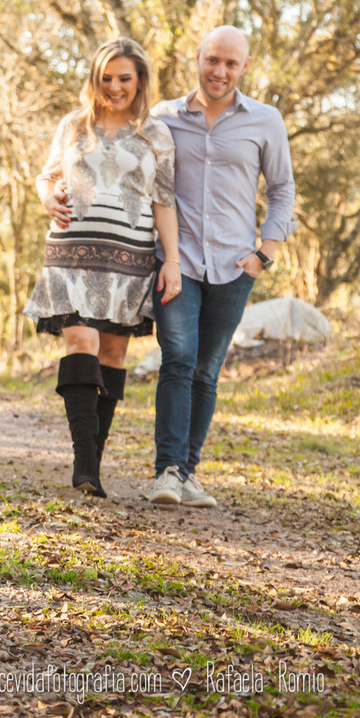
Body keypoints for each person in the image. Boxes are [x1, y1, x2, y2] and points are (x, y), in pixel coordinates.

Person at [146, 25, 296, 508]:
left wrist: (263, 254)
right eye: (213, 60)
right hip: (177, 261)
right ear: (198, 59)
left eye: (231, 63)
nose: (220, 71)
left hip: (235, 266)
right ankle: (166, 472)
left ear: (244, 67)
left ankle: (187, 472)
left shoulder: (265, 120)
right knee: (179, 358)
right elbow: (142, 180)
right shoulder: (164, 117)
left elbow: (282, 190)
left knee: (207, 371)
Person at [24, 38, 180, 498]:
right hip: (71, 251)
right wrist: (47, 196)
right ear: (95, 79)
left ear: (140, 81)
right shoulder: (75, 125)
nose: (114, 87)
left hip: (129, 259)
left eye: (124, 78)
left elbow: (164, 200)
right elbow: (47, 175)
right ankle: (85, 466)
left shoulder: (156, 134)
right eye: (106, 78)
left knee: (112, 356)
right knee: (80, 340)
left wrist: (170, 260)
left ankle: (94, 457)